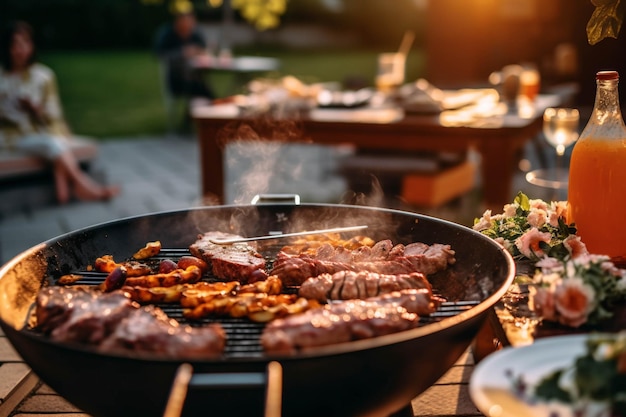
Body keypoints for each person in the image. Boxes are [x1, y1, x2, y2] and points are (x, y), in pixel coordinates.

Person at [0, 20, 119, 204]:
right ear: (7, 47)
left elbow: (54, 114)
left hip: (44, 132)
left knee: (53, 142)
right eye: (15, 44)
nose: (20, 49)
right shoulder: (2, 79)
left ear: (32, 45)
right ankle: (85, 186)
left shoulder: (43, 76)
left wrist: (35, 110)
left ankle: (62, 190)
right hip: (12, 137)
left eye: (25, 43)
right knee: (51, 143)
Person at [153, 9, 215, 101]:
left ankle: (198, 113)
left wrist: (202, 52)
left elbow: (205, 51)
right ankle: (196, 114)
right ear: (178, 21)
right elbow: (159, 54)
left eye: (192, 22)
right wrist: (182, 53)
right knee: (204, 93)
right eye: (186, 21)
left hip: (197, 78)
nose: (190, 25)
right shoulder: (168, 35)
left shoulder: (195, 36)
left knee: (204, 91)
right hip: (177, 80)